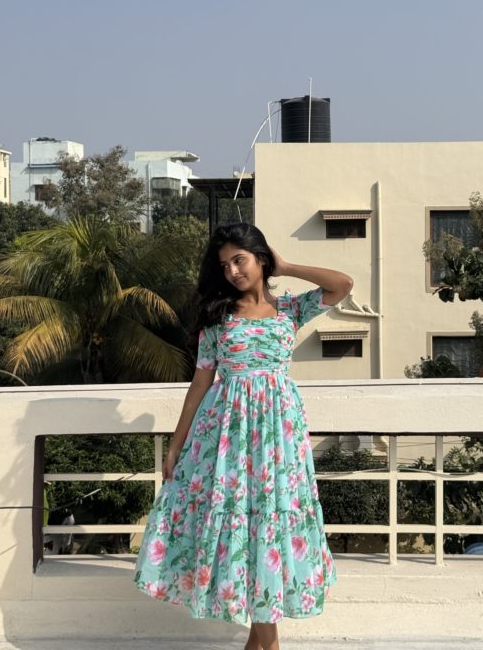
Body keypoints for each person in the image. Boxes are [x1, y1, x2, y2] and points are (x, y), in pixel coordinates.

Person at [134, 223, 353, 650]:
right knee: (240, 523)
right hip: (227, 436)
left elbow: (342, 285)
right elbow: (200, 383)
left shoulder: (290, 309)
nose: (233, 271)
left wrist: (286, 266)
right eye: (225, 265)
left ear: (261, 259)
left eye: (240, 260)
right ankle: (267, 644)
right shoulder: (218, 319)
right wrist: (177, 444)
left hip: (277, 436)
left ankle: (263, 643)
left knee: (270, 522)